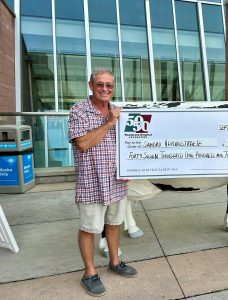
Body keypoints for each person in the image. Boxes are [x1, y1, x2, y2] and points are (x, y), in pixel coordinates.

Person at [68, 69, 137, 297]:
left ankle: (115, 262)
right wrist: (109, 123)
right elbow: (83, 144)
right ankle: (89, 273)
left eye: (109, 85)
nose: (105, 89)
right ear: (91, 85)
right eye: (100, 84)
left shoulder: (120, 112)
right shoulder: (79, 111)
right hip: (91, 180)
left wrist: (130, 166)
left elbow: (130, 145)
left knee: (115, 223)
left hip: (117, 180)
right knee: (89, 228)